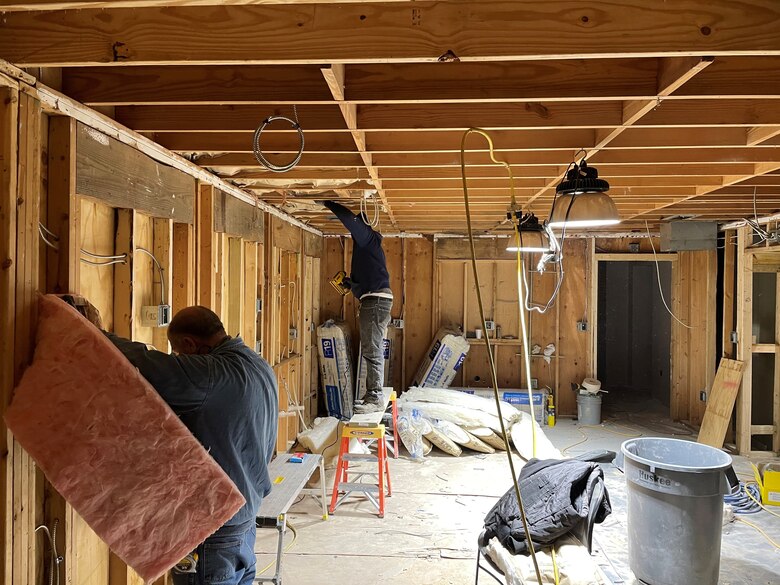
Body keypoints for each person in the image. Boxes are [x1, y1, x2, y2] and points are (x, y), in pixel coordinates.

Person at [83, 302, 278, 585]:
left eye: (178, 352)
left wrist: (95, 333)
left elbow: (148, 363)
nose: (178, 358)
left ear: (189, 343)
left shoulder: (210, 374)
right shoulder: (256, 363)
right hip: (244, 522)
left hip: (215, 529)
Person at [321, 199, 393, 413]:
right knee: (372, 349)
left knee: (373, 350)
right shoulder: (369, 249)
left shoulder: (368, 240)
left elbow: (350, 220)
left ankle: (375, 397)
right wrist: (352, 285)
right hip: (374, 300)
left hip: (375, 303)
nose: (354, 233)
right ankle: (373, 395)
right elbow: (368, 284)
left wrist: (328, 202)